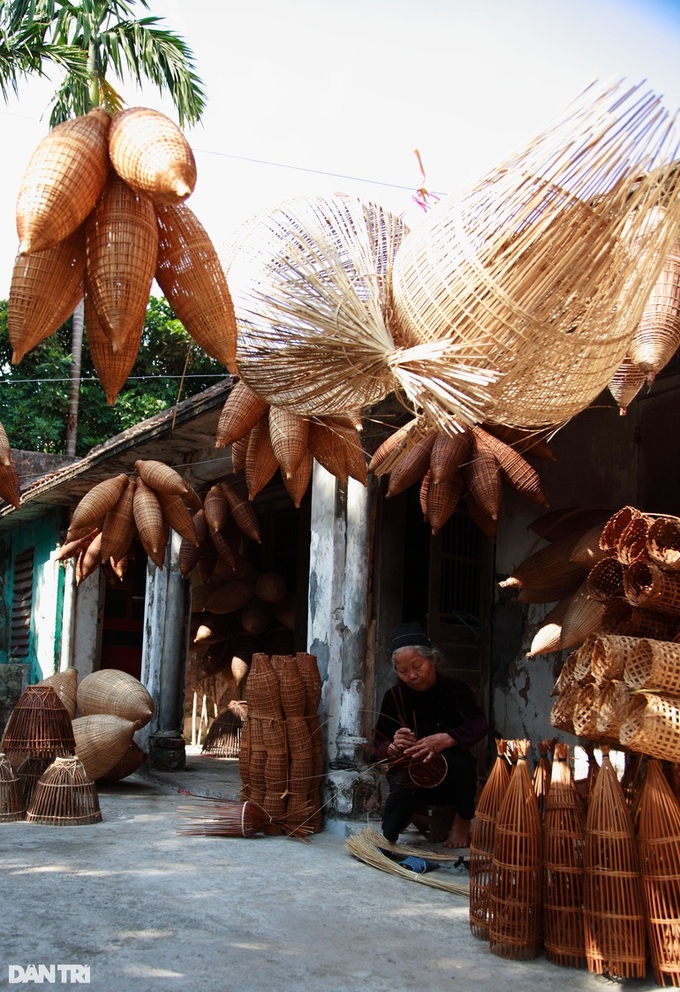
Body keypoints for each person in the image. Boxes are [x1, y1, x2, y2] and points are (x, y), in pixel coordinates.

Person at [372, 621, 489, 848]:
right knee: (389, 832)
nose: (412, 676)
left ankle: (463, 820)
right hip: (413, 776)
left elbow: (480, 724)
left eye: (418, 666)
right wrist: (392, 747)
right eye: (403, 671)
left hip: (452, 777)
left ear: (432, 659)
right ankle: (392, 833)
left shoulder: (456, 690)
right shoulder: (394, 696)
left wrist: (447, 739)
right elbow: (378, 742)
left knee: (464, 764)